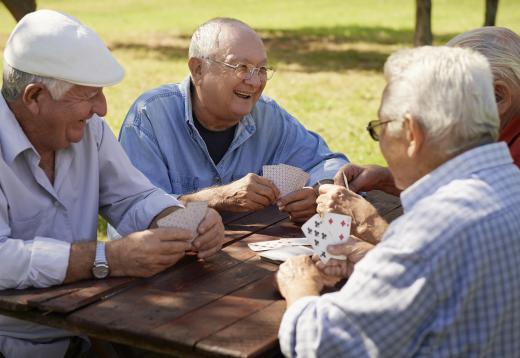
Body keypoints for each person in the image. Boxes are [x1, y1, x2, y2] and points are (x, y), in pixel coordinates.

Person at [0, 10, 224, 358]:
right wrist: (106, 258)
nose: (102, 109)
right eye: (88, 95)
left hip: (87, 330)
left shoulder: (88, 131)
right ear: (34, 97)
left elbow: (132, 196)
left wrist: (177, 218)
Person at [276, 46, 520, 357]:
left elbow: (321, 344)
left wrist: (299, 285)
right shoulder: (510, 185)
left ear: (411, 133)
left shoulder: (432, 228)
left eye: (380, 129)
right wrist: (377, 258)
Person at [117, 17, 348, 223]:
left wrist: (318, 192)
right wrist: (216, 198)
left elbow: (329, 163)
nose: (255, 81)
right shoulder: (150, 117)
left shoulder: (267, 115)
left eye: (261, 69)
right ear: (198, 69)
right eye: (241, 67)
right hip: (169, 265)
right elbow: (136, 214)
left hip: (245, 264)